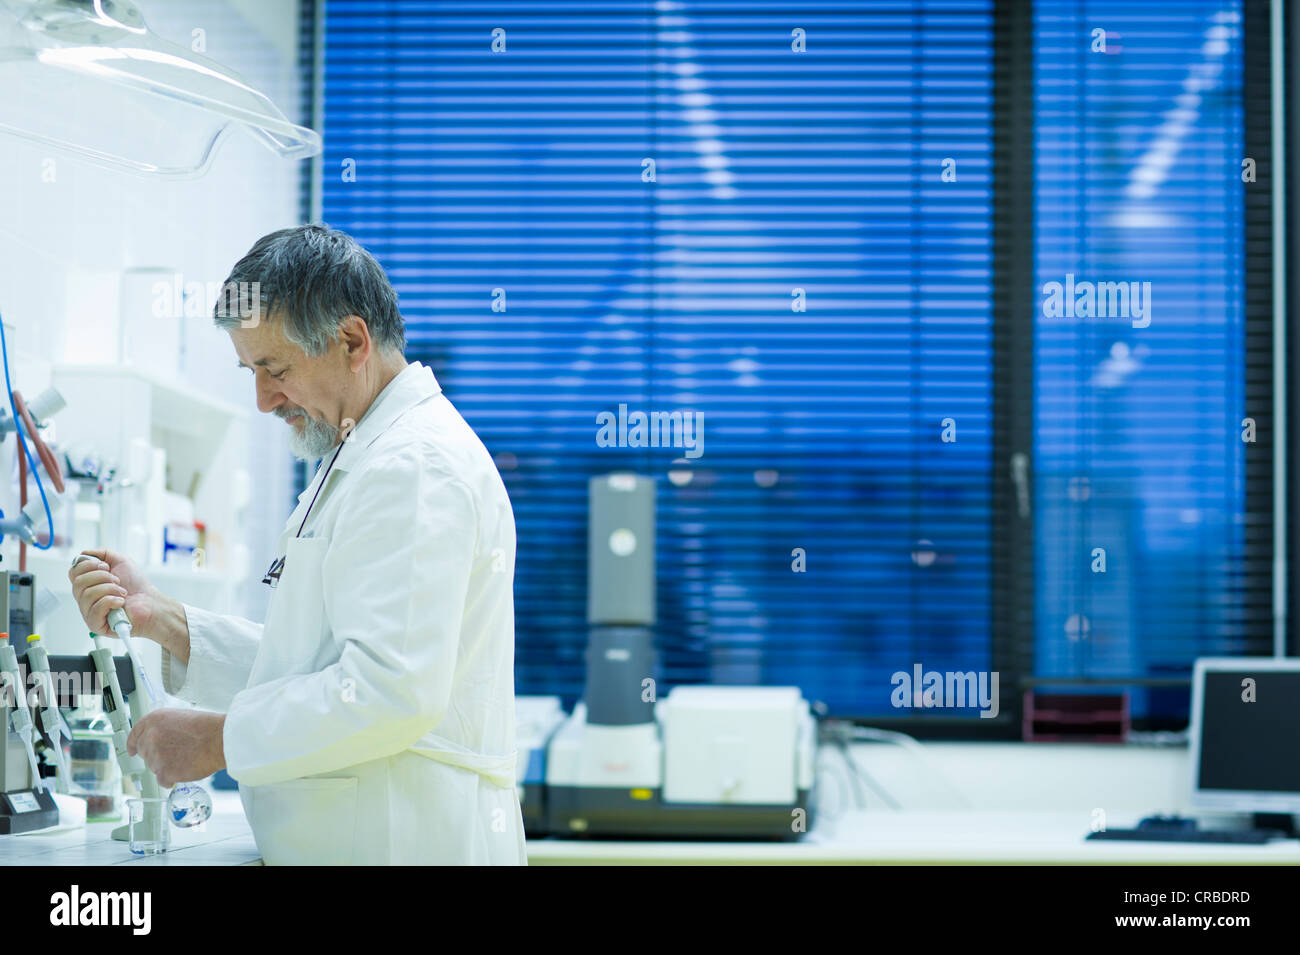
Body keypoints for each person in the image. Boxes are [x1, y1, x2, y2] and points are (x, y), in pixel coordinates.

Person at [68, 225, 526, 865]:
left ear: (351, 341)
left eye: (275, 369)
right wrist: (170, 623)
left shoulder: (413, 467)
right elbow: (315, 666)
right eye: (250, 370)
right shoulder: (359, 455)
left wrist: (218, 741)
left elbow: (389, 691)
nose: (262, 400)